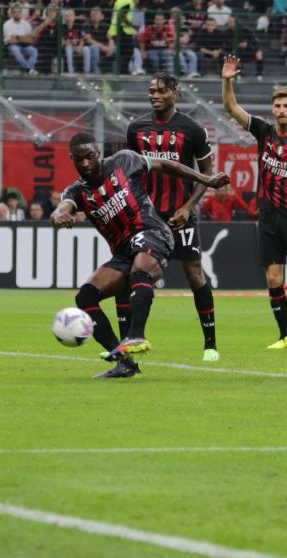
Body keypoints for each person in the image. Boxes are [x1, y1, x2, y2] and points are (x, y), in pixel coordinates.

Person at [52, 133, 228, 379]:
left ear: (98, 153)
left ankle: (136, 335)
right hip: (124, 251)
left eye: (90, 157)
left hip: (153, 233)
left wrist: (205, 179)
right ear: (71, 158)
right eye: (79, 159)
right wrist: (59, 215)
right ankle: (125, 362)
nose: (85, 164)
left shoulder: (124, 161)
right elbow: (62, 207)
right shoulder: (77, 191)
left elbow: (165, 164)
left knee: (140, 270)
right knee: (86, 297)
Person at [221, 59, 287, 350]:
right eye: (277, 106)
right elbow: (231, 108)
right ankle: (285, 336)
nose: (281, 111)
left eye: (286, 106)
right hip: (267, 215)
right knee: (273, 277)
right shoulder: (264, 132)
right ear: (273, 109)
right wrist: (228, 80)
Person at [124, 74, 220, 361]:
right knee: (133, 273)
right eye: (151, 90)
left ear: (175, 93)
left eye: (161, 91)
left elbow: (207, 175)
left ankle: (210, 344)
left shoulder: (192, 130)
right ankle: (129, 340)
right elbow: (129, 171)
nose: (154, 95)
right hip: (146, 217)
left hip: (181, 214)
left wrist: (189, 207)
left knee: (194, 274)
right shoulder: (135, 129)